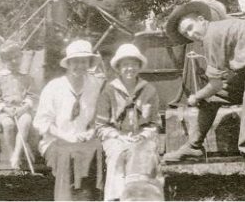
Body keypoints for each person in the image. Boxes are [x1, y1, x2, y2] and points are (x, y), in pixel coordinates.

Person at [161, 0, 245, 200]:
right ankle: (194, 147)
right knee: (213, 99)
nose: (191, 34)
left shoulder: (212, 34)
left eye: (190, 27)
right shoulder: (218, 30)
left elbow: (214, 85)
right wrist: (205, 96)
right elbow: (219, 86)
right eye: (186, 33)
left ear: (201, 19)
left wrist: (195, 97)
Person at [32, 40, 108, 201]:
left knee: (98, 151)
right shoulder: (54, 87)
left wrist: (90, 132)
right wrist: (68, 137)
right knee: (69, 154)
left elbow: (101, 116)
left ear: (89, 63)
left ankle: (90, 197)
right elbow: (42, 122)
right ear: (68, 63)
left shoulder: (96, 85)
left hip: (86, 139)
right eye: (75, 61)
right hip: (56, 141)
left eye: (84, 61)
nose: (80, 66)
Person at [95, 44, 162, 201]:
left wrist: (143, 136)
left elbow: (154, 123)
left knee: (144, 152)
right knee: (118, 153)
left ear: (139, 67)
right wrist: (119, 136)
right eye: (125, 65)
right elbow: (101, 125)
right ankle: (116, 198)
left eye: (133, 64)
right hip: (116, 136)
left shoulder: (149, 90)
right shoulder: (109, 90)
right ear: (118, 68)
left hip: (142, 135)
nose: (130, 68)